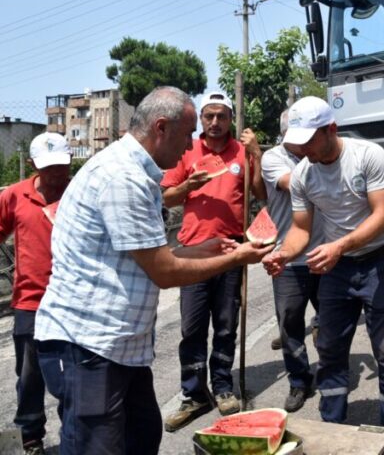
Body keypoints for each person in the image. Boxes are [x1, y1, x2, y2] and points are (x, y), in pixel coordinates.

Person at [33, 86, 273, 455]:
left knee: (142, 437)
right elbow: (163, 271)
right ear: (161, 127)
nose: (190, 143)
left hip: (122, 348)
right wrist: (237, 258)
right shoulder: (123, 178)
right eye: (188, 132)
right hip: (91, 346)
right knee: (96, 447)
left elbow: (141, 254)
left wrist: (200, 249)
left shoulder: (138, 173)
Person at [262, 96, 384, 454]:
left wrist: (338, 247)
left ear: (331, 129)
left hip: (379, 261)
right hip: (337, 268)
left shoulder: (367, 155)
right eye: (296, 141)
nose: (301, 148)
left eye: (308, 139)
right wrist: (283, 253)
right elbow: (300, 229)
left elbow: (382, 215)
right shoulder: (302, 174)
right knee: (329, 348)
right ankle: (331, 427)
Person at [161, 91, 266, 431]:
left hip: (232, 250)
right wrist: (188, 186)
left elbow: (260, 194)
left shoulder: (242, 150)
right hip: (193, 250)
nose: (215, 122)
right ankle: (193, 394)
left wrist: (256, 155)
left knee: (225, 324)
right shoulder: (187, 151)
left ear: (230, 119)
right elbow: (167, 196)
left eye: (221, 116)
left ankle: (222, 386)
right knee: (192, 327)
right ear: (201, 119)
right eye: (209, 116)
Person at [0, 133, 71, 455]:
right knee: (29, 377)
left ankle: (75, 432)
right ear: (33, 166)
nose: (57, 174)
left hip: (74, 301)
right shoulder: (14, 196)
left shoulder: (78, 193)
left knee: (75, 372)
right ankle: (30, 438)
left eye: (62, 166)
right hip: (30, 302)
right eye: (49, 168)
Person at [261, 109, 322, 412]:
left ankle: (331, 368)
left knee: (331, 319)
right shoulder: (272, 158)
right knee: (290, 323)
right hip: (288, 256)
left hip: (325, 253)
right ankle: (299, 380)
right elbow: (291, 183)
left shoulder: (318, 155)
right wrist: (326, 164)